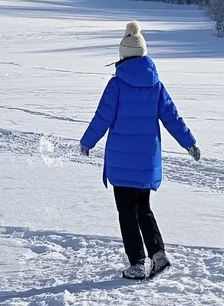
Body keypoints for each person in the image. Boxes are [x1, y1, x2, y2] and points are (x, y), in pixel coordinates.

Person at [79, 21, 201, 280]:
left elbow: (102, 117)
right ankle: (158, 254)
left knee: (126, 212)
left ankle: (138, 262)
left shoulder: (117, 85)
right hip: (146, 161)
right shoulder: (156, 85)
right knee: (143, 208)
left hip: (122, 164)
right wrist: (189, 142)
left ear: (122, 55)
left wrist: (87, 142)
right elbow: (172, 118)